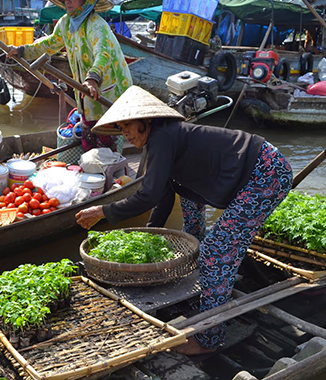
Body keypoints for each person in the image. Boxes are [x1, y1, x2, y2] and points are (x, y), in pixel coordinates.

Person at [75, 86, 293, 355]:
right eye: (121, 128)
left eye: (128, 125)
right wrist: (148, 237)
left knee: (216, 251)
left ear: (146, 121)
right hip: (252, 169)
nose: (126, 133)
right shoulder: (160, 142)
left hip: (266, 172)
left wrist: (103, 211)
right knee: (190, 222)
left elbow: (148, 194)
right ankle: (206, 286)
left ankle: (209, 338)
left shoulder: (163, 136)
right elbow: (162, 198)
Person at [7, 0, 132, 152]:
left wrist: (93, 78)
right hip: (85, 89)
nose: (67, 1)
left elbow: (103, 54)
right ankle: (94, 170)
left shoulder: (96, 24)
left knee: (107, 140)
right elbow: (49, 44)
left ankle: (109, 172)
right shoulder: (66, 24)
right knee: (89, 137)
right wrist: (21, 50)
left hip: (108, 88)